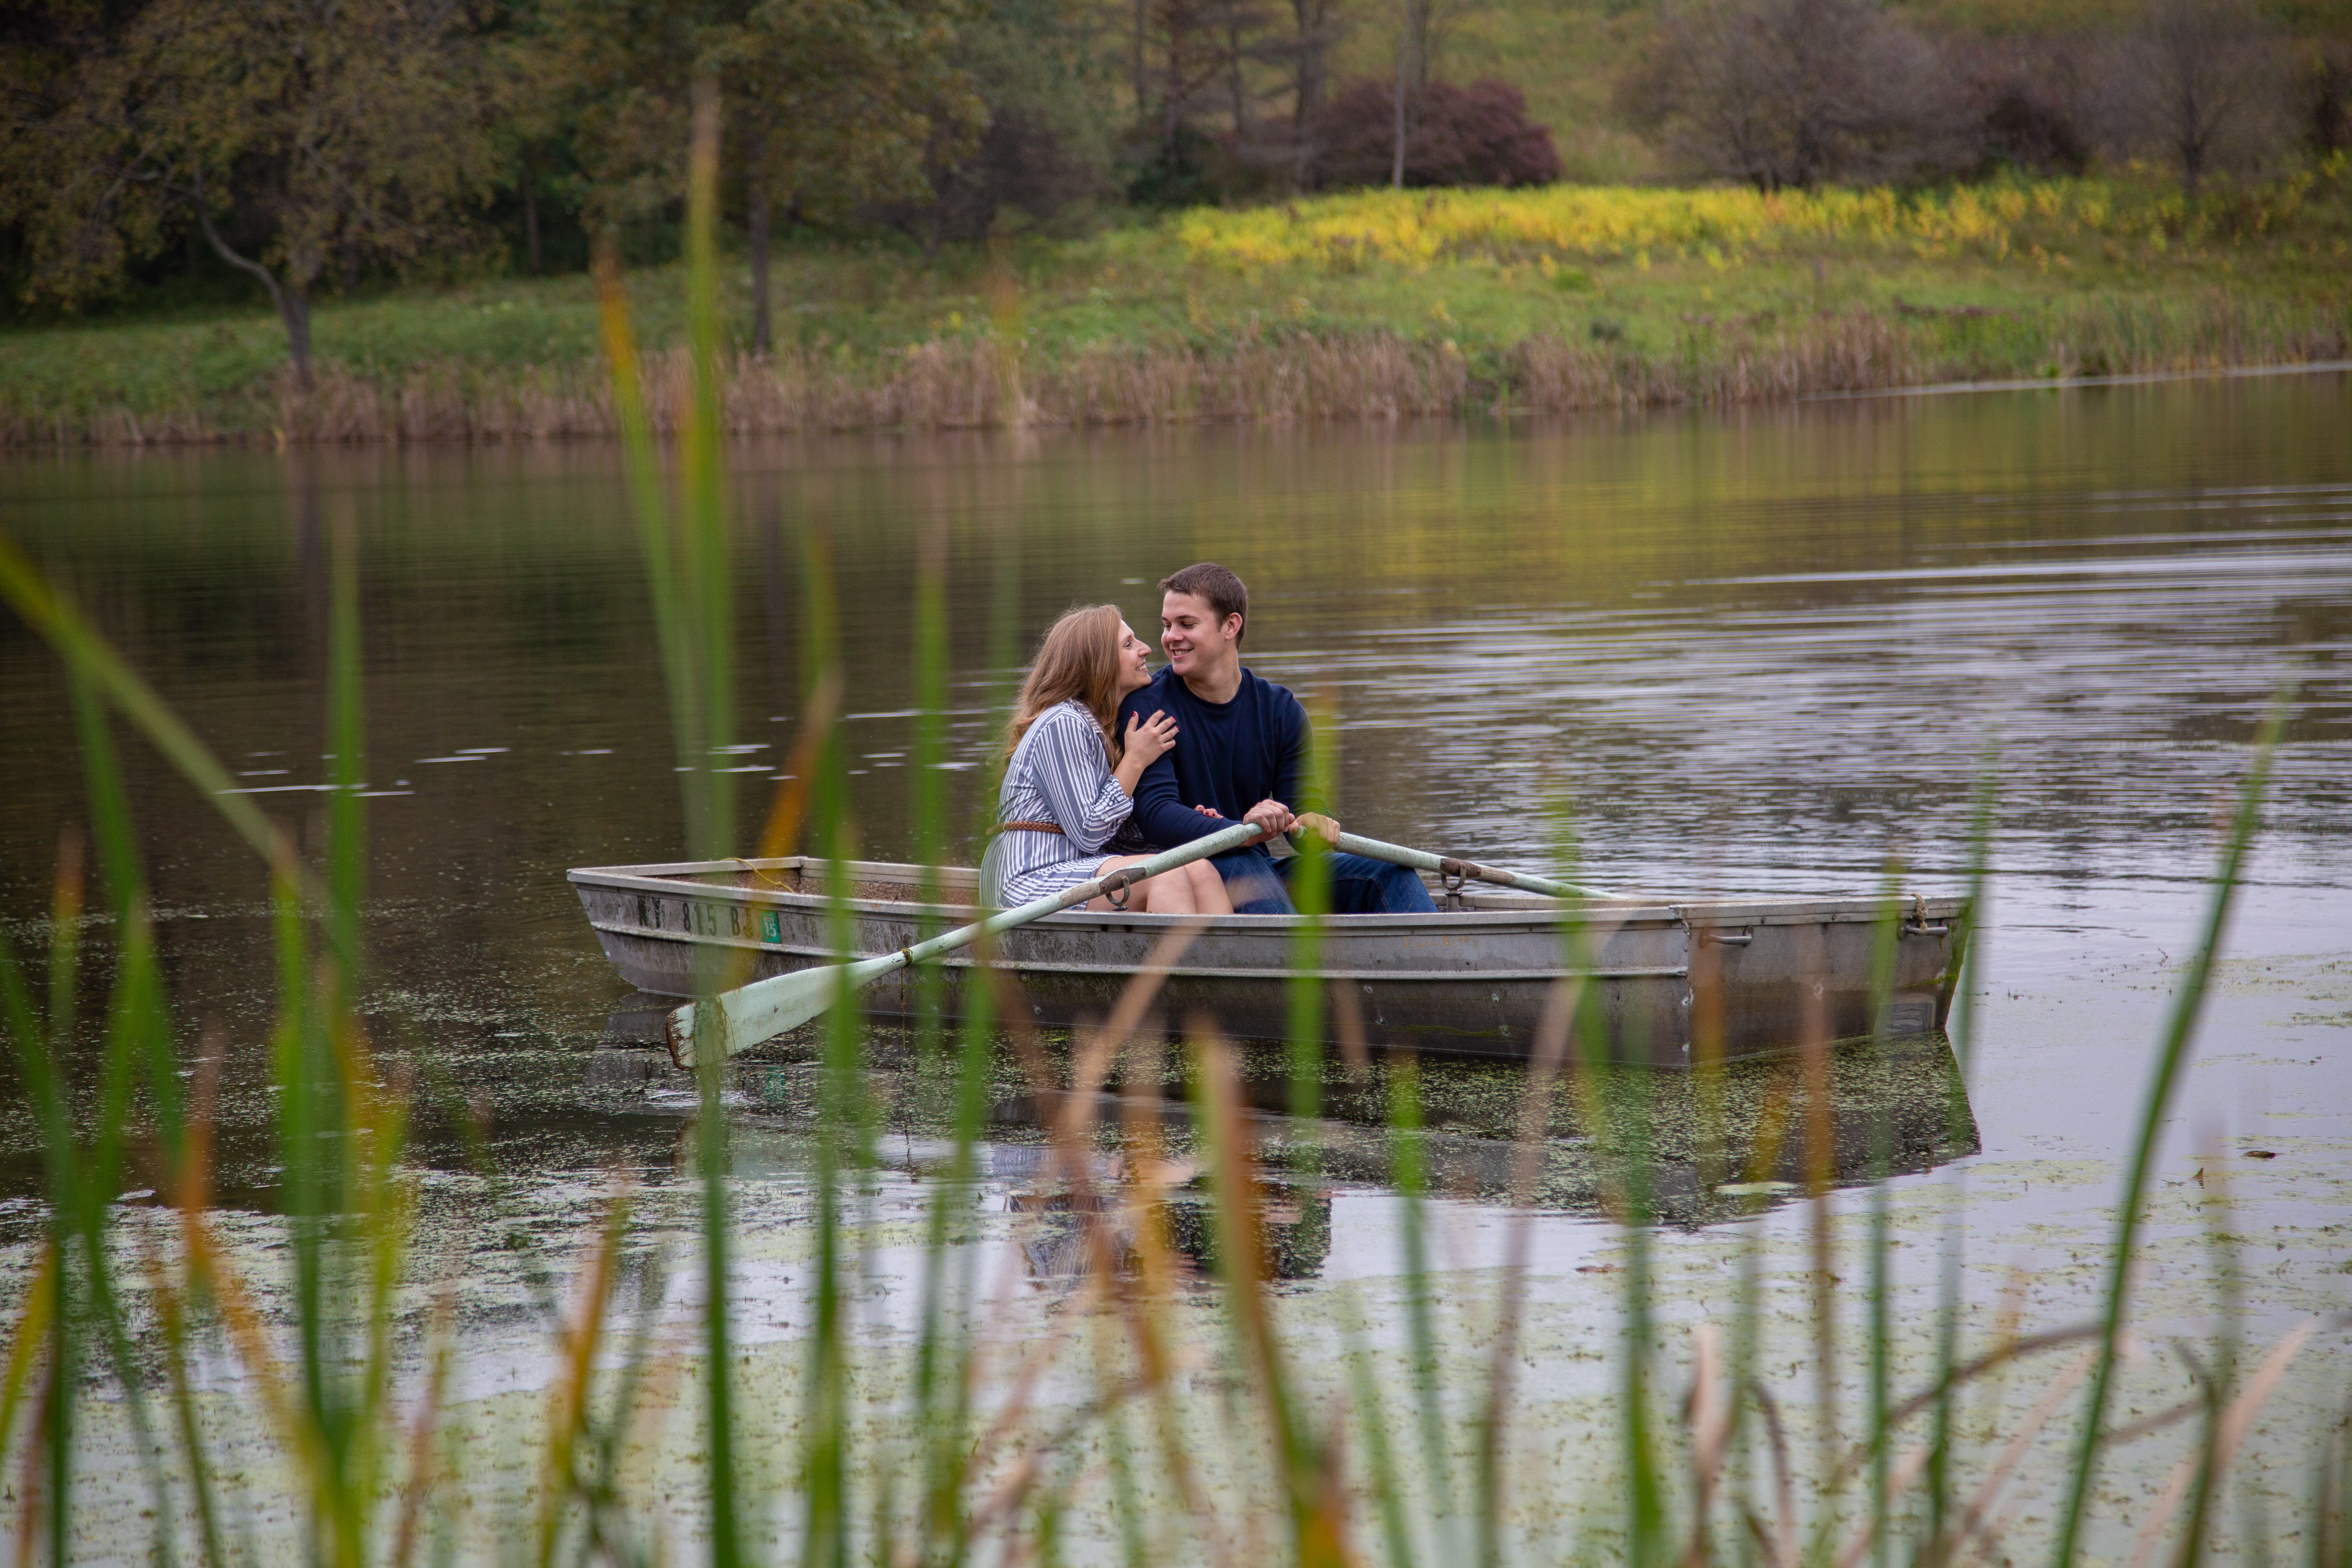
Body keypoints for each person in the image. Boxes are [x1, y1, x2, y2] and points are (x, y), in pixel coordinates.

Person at [1114, 562, 1436, 917]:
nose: (1170, 637)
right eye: (1167, 625)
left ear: (1231, 626)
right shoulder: (1148, 707)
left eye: (1186, 625)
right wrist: (1243, 832)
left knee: (1390, 873)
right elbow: (1157, 814)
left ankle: (1435, 950)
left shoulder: (1279, 709)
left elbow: (1303, 803)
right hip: (1190, 875)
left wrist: (1315, 821)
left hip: (1256, 864)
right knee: (1248, 867)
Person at [979, 604, 1237, 917]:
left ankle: (1225, 951)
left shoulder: (1098, 727)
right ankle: (1173, 952)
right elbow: (1090, 833)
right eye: (1128, 644)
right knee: (1164, 874)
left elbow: (1111, 839)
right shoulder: (1063, 722)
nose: (1145, 649)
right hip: (1028, 878)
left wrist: (1182, 820)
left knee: (1201, 870)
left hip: (1077, 868)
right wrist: (1135, 761)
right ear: (1097, 663)